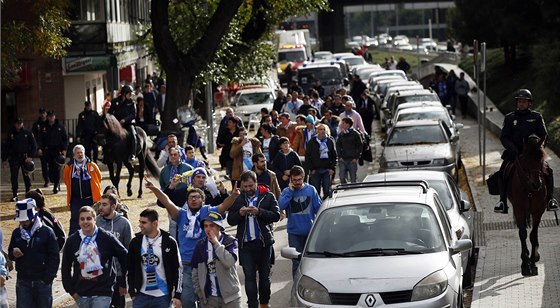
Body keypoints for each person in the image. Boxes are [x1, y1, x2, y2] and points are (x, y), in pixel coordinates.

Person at [145, 177, 240, 308]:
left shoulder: (209, 211)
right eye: (191, 198)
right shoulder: (181, 214)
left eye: (196, 197)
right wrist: (155, 189)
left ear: (203, 199)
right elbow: (167, 202)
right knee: (187, 299)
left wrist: (233, 196)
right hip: (186, 264)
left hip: (206, 263)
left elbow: (224, 205)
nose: (193, 200)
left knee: (206, 298)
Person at [494, 89, 559, 214]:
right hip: (515, 153)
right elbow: (504, 137)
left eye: (524, 102)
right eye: (519, 101)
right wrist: (512, 149)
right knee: (502, 172)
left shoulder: (536, 117)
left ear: (529, 103)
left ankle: (551, 199)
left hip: (533, 154)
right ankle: (502, 202)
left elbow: (544, 135)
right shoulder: (510, 118)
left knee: (549, 170)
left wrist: (538, 148)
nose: (521, 104)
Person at [227, 171, 281, 308]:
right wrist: (240, 213)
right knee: (249, 277)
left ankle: (264, 304)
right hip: (245, 245)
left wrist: (259, 212)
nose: (248, 189)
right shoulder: (238, 198)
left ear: (256, 182)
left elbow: (276, 215)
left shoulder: (268, 196)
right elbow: (230, 220)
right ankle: (252, 305)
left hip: (264, 244)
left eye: (250, 186)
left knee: (264, 277)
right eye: (245, 186)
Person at [62, 206, 128, 308]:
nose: (85, 222)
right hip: (81, 294)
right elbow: (65, 266)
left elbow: (124, 256)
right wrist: (71, 291)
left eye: (89, 218)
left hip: (103, 292)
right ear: (78, 221)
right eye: (82, 219)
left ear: (94, 219)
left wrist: (123, 281)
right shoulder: (72, 240)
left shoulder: (106, 237)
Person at [8, 198, 60, 308]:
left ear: (33, 217)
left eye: (25, 220)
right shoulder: (17, 233)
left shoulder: (47, 232)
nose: (22, 223)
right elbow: (10, 253)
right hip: (23, 281)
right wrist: (13, 254)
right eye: (20, 220)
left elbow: (54, 256)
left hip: (42, 281)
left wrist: (48, 278)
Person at [127, 209, 182, 308]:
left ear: (155, 223)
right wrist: (132, 291)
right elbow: (130, 268)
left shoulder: (169, 242)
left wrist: (177, 294)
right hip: (141, 295)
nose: (140, 225)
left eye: (144, 222)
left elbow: (178, 268)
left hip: (163, 295)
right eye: (140, 222)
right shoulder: (135, 242)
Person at [278, 166, 321, 278]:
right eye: (294, 180)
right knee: (296, 262)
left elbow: (319, 208)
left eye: (299, 179)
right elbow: (280, 206)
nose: (297, 182)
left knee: (311, 262)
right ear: (290, 179)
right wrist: (290, 192)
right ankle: (296, 286)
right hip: (294, 233)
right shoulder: (287, 191)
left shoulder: (311, 190)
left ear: (303, 178)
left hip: (310, 232)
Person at [192, 212, 242, 307]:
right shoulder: (200, 245)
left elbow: (229, 262)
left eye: (212, 226)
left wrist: (216, 243)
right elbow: (195, 271)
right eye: (206, 226)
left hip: (231, 297)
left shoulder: (230, 241)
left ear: (219, 227)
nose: (208, 229)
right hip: (210, 299)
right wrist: (200, 293)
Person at [96, 193, 134, 308]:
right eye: (100, 204)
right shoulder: (95, 222)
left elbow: (129, 252)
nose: (100, 208)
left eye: (104, 205)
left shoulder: (124, 223)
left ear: (113, 206)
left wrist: (125, 280)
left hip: (118, 276)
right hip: (99, 276)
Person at [63, 144, 102, 235]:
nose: (80, 155)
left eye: (81, 152)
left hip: (90, 199)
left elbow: (99, 177)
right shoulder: (69, 167)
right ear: (74, 155)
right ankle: (73, 241)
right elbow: (66, 180)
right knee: (75, 220)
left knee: (91, 219)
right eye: (77, 153)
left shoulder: (92, 165)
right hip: (75, 199)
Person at [159, 147, 192, 238]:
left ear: (180, 155)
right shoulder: (164, 171)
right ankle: (174, 244)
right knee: (173, 225)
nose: (173, 157)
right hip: (172, 202)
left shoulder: (188, 168)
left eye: (175, 154)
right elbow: (162, 186)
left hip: (186, 202)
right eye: (171, 155)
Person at [2, 118, 36, 201]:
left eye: (20, 123)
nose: (18, 125)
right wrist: (4, 159)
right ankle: (15, 194)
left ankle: (28, 192)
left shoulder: (27, 133)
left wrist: (31, 156)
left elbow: (34, 145)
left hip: (25, 158)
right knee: (14, 176)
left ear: (22, 124)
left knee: (26, 176)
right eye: (17, 123)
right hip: (14, 158)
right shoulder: (11, 134)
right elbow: (6, 147)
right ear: (14, 124)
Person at [37, 110, 68, 194]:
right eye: (50, 116)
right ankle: (53, 181)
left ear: (54, 117)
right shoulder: (44, 127)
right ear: (47, 117)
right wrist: (39, 148)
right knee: (50, 170)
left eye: (53, 116)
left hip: (58, 151)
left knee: (57, 168)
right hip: (48, 151)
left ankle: (56, 185)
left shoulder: (60, 126)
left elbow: (65, 139)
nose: (51, 118)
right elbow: (40, 139)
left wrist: (64, 150)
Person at [305, 124, 337, 199]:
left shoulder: (330, 141)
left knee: (327, 190)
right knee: (316, 190)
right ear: (317, 131)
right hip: (315, 170)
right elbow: (307, 155)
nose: (322, 131)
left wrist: (332, 168)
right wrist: (311, 168)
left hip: (326, 170)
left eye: (324, 129)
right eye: (320, 129)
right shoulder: (313, 141)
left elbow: (334, 155)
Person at [109, 85, 138, 163]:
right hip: (117, 124)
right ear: (124, 93)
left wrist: (125, 120)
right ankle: (108, 155)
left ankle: (133, 154)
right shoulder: (115, 101)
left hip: (128, 124)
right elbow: (110, 113)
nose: (131, 95)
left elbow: (133, 114)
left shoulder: (132, 102)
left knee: (133, 135)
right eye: (129, 93)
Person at [336, 118, 363, 184]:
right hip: (343, 160)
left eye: (343, 123)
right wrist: (340, 157)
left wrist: (356, 157)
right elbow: (338, 146)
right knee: (342, 177)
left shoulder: (355, 134)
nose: (341, 125)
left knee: (353, 179)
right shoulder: (341, 134)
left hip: (352, 160)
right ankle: (345, 189)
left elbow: (360, 145)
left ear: (348, 124)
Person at [32, 107, 50, 187]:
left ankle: (52, 177)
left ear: (46, 113)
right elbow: (34, 137)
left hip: (50, 147)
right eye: (41, 113)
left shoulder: (49, 122)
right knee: (44, 165)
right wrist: (38, 148)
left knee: (52, 164)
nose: (43, 114)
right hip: (41, 148)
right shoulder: (36, 124)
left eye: (44, 113)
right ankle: (46, 180)